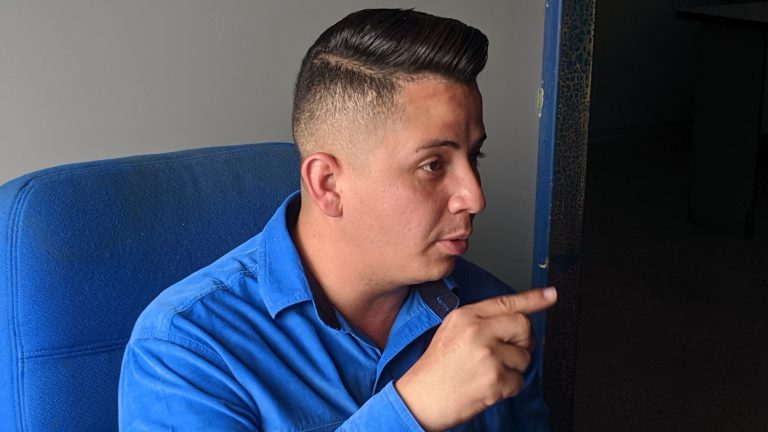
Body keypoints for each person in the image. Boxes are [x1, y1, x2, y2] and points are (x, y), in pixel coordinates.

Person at [119, 8, 557, 431]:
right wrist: (414, 410)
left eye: (474, 157)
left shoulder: (491, 311)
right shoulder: (185, 347)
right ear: (327, 184)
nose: (475, 197)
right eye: (433, 165)